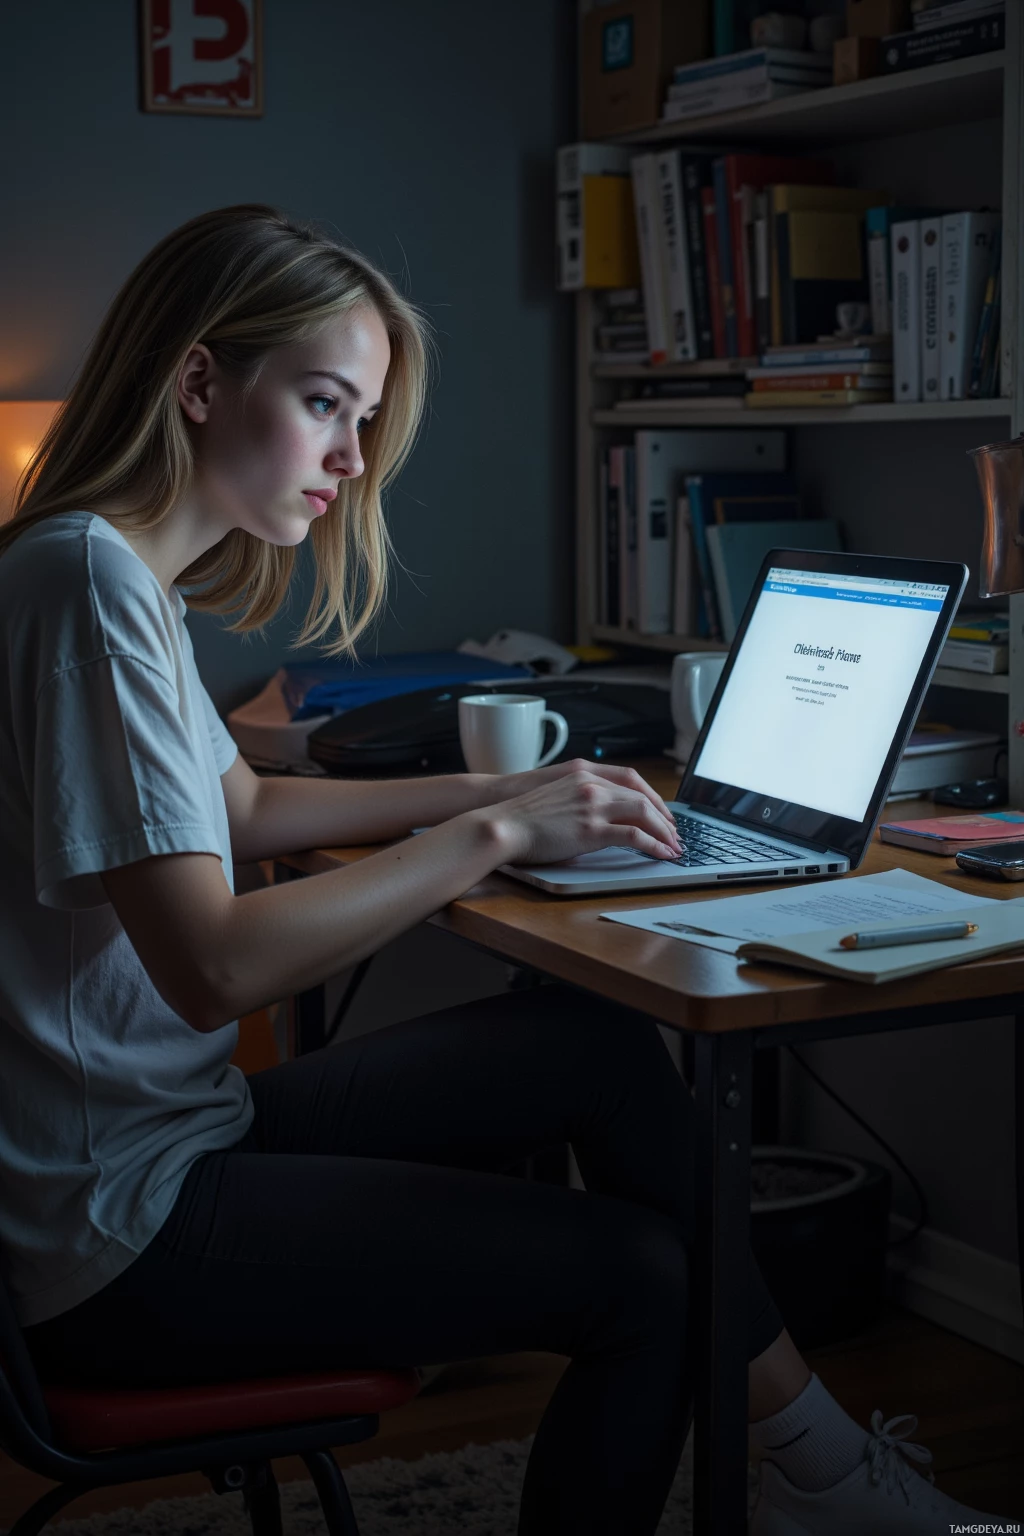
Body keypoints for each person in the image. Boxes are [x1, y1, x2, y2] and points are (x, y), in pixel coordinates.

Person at [0, 205, 1002, 1535]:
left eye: (361, 420)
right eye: (326, 405)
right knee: (638, 1280)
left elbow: (234, 802)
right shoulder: (89, 586)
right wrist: (485, 840)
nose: (353, 460)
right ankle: (821, 1473)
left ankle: (813, 1465)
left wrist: (504, 789)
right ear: (198, 380)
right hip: (117, 1230)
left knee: (586, 1045)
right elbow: (213, 967)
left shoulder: (110, 568)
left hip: (151, 1146)